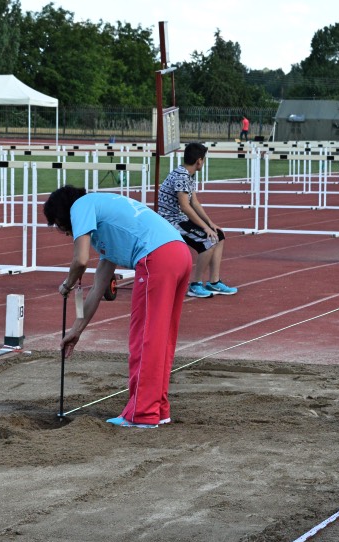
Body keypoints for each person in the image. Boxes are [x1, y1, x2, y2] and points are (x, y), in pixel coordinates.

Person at [45, 186, 191, 428]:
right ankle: (158, 409)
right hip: (179, 253)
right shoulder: (106, 225)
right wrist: (76, 330)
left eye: (61, 227)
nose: (66, 233)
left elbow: (80, 260)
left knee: (144, 338)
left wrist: (67, 284)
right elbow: (97, 287)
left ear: (64, 215)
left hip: (156, 257)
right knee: (161, 338)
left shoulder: (81, 205)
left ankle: (142, 413)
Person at [158, 142, 238, 298]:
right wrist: (205, 228)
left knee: (218, 234)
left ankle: (214, 282)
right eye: (204, 159)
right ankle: (195, 285)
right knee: (209, 241)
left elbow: (194, 203)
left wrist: (210, 224)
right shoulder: (181, 176)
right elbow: (185, 206)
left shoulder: (188, 174)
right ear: (199, 161)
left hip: (180, 218)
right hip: (170, 221)